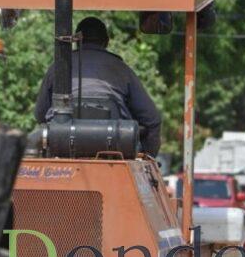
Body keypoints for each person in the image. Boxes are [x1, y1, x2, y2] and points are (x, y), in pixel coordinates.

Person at [33, 17, 162, 156]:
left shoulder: (58, 66)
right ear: (106, 42)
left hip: (62, 151)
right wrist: (147, 156)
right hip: (114, 153)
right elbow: (152, 119)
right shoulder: (121, 69)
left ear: (77, 42)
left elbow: (40, 113)